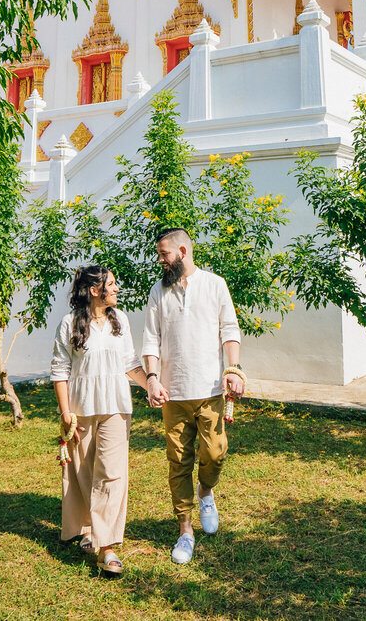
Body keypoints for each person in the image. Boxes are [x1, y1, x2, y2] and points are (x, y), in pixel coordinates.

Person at [141, 227, 246, 565]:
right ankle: (185, 531)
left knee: (215, 453)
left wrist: (234, 369)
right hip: (172, 394)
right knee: (178, 462)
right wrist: (152, 379)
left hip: (211, 389)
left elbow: (229, 328)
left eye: (164, 254)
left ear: (182, 252)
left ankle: (205, 492)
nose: (160, 260)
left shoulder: (215, 285)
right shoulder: (159, 291)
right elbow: (150, 340)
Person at [51, 264, 150, 578]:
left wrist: (153, 386)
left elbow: (130, 363)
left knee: (110, 473)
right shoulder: (69, 324)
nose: (117, 289)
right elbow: (60, 371)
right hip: (81, 409)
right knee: (83, 472)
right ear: (95, 290)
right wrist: (66, 413)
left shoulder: (119, 320)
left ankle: (106, 548)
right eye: (112, 284)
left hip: (116, 407)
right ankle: (88, 530)